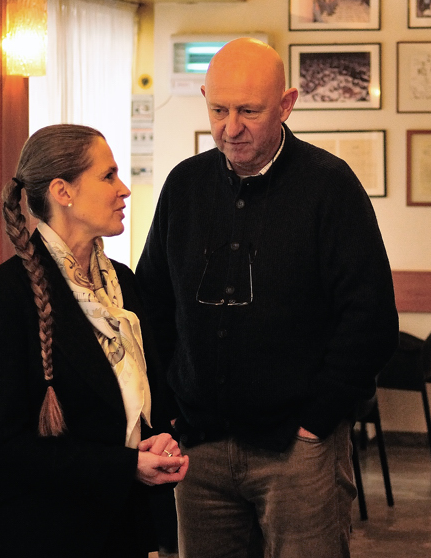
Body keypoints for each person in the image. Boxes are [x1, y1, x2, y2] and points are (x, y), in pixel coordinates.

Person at [135, 38, 398, 558]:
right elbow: (151, 308)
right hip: (199, 447)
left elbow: (368, 318)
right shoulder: (184, 186)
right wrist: (166, 411)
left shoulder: (329, 186)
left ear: (287, 104)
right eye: (218, 110)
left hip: (298, 449)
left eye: (249, 111)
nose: (231, 128)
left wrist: (317, 421)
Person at [0, 124, 188, 558]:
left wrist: (159, 437)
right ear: (62, 192)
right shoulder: (0, 295)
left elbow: (143, 402)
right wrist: (126, 467)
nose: (123, 189)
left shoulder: (124, 284)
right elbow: (0, 446)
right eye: (108, 176)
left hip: (125, 530)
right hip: (42, 535)